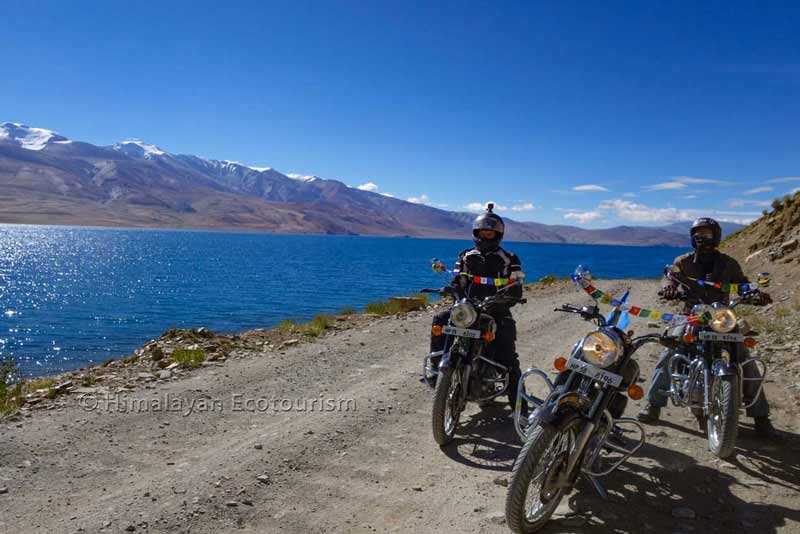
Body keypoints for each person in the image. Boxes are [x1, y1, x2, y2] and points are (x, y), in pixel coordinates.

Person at [637, 217, 776, 436]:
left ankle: (761, 417)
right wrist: (669, 289)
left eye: (707, 234)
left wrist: (754, 293)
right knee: (670, 352)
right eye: (697, 234)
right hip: (690, 316)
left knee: (745, 359)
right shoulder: (683, 261)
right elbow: (669, 278)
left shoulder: (728, 263)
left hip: (721, 317)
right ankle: (654, 405)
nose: (701, 237)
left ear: (716, 236)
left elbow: (742, 284)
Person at [428, 204, 524, 411]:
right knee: (440, 320)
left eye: (490, 232)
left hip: (495, 309)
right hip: (467, 308)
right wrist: (451, 290)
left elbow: (517, 286)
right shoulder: (465, 255)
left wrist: (508, 298)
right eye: (483, 231)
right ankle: (435, 368)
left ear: (497, 234)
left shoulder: (510, 258)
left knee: (508, 353)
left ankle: (520, 408)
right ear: (476, 233)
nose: (486, 235)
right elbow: (457, 280)